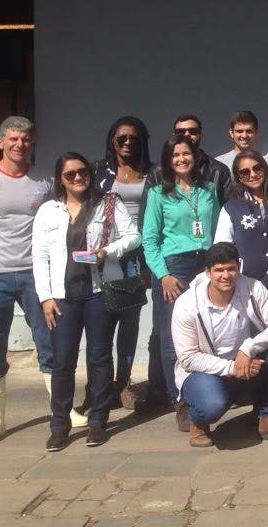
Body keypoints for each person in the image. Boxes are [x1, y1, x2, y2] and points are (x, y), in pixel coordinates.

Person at [34, 153, 140, 451]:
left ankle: (98, 421)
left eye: (82, 172)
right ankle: (59, 425)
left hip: (98, 291)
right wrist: (45, 297)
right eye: (70, 174)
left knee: (99, 358)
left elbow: (133, 236)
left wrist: (107, 251)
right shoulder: (48, 211)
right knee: (62, 361)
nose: (78, 177)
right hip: (62, 297)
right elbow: (39, 257)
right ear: (60, 179)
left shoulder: (107, 203)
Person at [173, 242, 268, 447]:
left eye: (231, 268)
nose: (226, 275)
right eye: (219, 270)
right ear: (207, 272)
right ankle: (197, 421)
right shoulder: (187, 304)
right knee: (212, 405)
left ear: (239, 268)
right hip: (203, 372)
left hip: (245, 362)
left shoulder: (252, 287)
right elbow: (188, 358)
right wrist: (233, 367)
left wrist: (248, 349)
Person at [0, 116, 53, 447]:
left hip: (34, 274)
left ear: (32, 143)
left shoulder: (44, 181)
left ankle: (61, 409)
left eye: (25, 139)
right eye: (13, 139)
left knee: (49, 342)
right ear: (1, 142)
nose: (19, 145)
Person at [142, 133, 221, 432]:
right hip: (173, 267)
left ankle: (206, 389)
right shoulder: (158, 193)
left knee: (204, 331)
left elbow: (216, 229)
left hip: (204, 264)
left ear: (195, 156)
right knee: (172, 336)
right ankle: (180, 399)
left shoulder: (208, 189)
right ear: (168, 160)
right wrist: (163, 275)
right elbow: (150, 240)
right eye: (175, 155)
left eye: (186, 153)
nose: (182, 159)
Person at [90, 116, 153, 412]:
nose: (128, 143)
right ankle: (98, 387)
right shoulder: (97, 172)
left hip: (136, 256)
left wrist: (149, 264)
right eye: (121, 138)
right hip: (102, 255)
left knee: (130, 323)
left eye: (134, 138)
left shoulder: (152, 174)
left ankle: (122, 384)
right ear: (112, 141)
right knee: (100, 321)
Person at [214, 150, 268, 306]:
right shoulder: (232, 208)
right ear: (239, 177)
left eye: (257, 168)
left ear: (264, 168)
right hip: (247, 288)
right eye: (245, 172)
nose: (252, 174)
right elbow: (222, 247)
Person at [147, 114, 231, 207]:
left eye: (193, 131)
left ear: (201, 135)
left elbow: (227, 209)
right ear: (173, 135)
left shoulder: (219, 170)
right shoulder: (157, 172)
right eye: (180, 132)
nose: (187, 134)